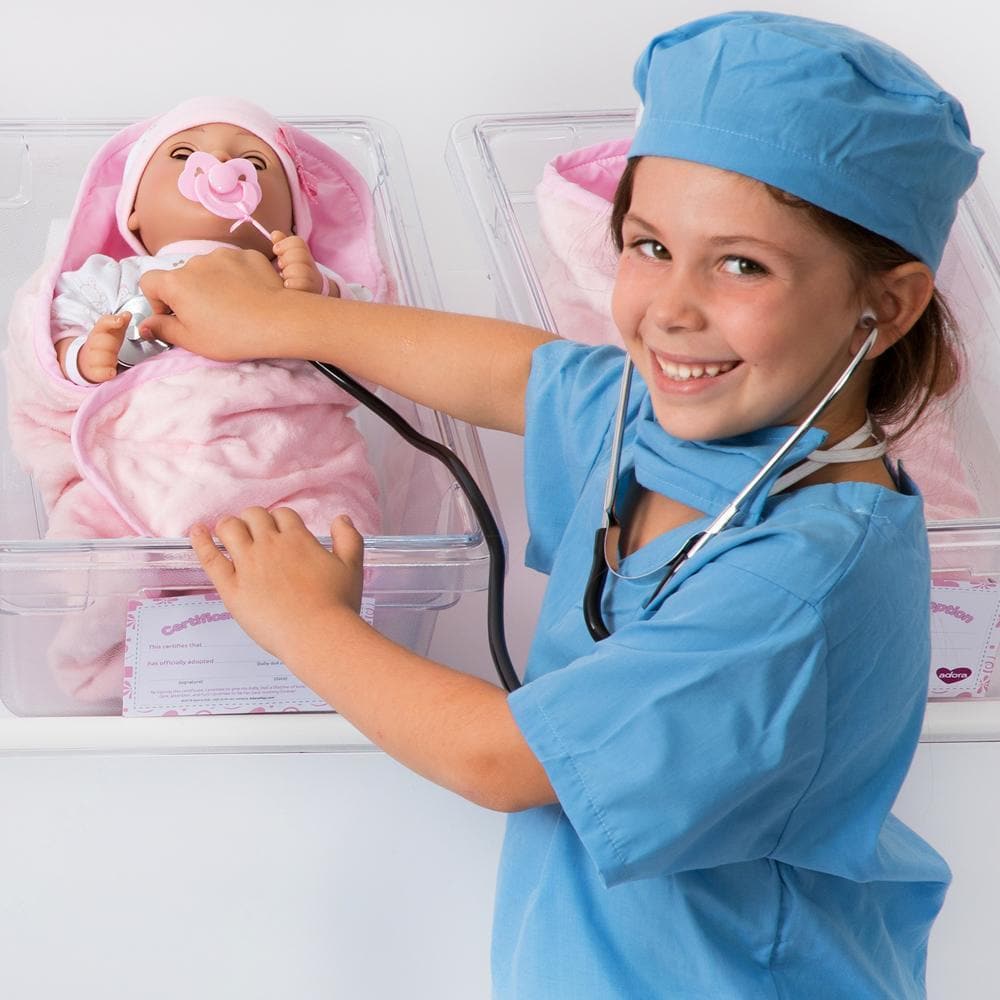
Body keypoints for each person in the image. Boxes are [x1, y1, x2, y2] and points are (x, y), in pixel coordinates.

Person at [138, 13, 980, 998]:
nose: (670, 307)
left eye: (742, 263)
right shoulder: (678, 423)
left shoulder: (801, 581)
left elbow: (500, 758)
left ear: (888, 305)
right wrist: (287, 318)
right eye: (648, 244)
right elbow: (521, 373)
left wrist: (305, 620)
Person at [3, 97, 384, 702]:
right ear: (133, 213)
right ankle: (101, 675)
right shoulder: (112, 278)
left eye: (257, 162)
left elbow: (375, 344)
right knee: (101, 563)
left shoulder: (298, 282)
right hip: (134, 469)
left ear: (292, 220)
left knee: (334, 538)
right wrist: (85, 357)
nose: (222, 168)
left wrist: (315, 299)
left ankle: (315, 666)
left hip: (283, 470)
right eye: (183, 155)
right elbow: (40, 352)